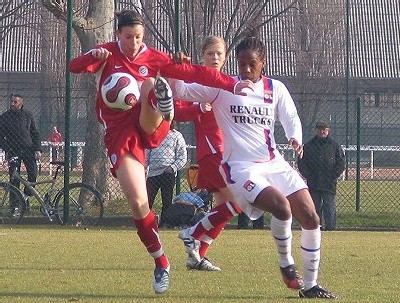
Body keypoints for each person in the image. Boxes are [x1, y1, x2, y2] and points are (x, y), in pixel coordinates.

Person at [69, 10, 252, 294]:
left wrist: (234, 84)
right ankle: (161, 261)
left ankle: (160, 101)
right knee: (139, 203)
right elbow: (74, 66)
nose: (133, 43)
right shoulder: (107, 52)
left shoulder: (151, 56)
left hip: (151, 124)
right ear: (118, 35)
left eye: (138, 37)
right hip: (120, 134)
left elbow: (193, 72)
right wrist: (92, 56)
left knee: (151, 83)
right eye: (128, 37)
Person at [171, 34, 336, 298]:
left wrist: (295, 137)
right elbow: (180, 91)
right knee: (281, 207)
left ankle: (312, 285)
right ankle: (286, 264)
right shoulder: (223, 86)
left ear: (263, 63)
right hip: (240, 167)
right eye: (241, 64)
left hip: (273, 162)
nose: (246, 70)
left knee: (311, 216)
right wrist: (177, 69)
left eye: (252, 64)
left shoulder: (275, 88)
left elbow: (290, 116)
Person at [174, 36, 243, 271]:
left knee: (223, 209)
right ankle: (192, 233)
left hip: (228, 153)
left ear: (225, 57)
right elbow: (173, 109)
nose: (215, 58)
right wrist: (196, 107)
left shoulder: (228, 82)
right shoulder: (197, 82)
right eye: (210, 53)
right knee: (239, 201)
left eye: (219, 54)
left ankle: (197, 257)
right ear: (202, 55)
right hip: (213, 152)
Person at [297, 121, 345, 231]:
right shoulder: (309, 146)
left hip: (329, 181)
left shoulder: (335, 145)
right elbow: (302, 162)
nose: (322, 131)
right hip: (314, 181)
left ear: (328, 131)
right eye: (320, 129)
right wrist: (308, 175)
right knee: (314, 205)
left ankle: (331, 227)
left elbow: (341, 162)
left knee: (329, 205)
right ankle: (315, 226)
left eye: (324, 129)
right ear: (316, 130)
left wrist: (333, 175)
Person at [0, 93, 42, 214]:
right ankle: (15, 206)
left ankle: (25, 198)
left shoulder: (28, 115)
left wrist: (37, 149)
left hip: (28, 150)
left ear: (21, 103)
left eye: (15, 102)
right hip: (13, 151)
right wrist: (7, 148)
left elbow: (34, 133)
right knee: (14, 179)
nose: (12, 104)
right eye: (11, 102)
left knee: (33, 175)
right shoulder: (5, 117)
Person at [145, 123, 187, 227]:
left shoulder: (176, 136)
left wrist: (172, 168)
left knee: (167, 200)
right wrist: (144, 167)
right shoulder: (153, 134)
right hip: (153, 173)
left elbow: (182, 157)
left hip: (167, 173)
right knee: (147, 199)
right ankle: (145, 222)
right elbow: (146, 153)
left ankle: (165, 222)